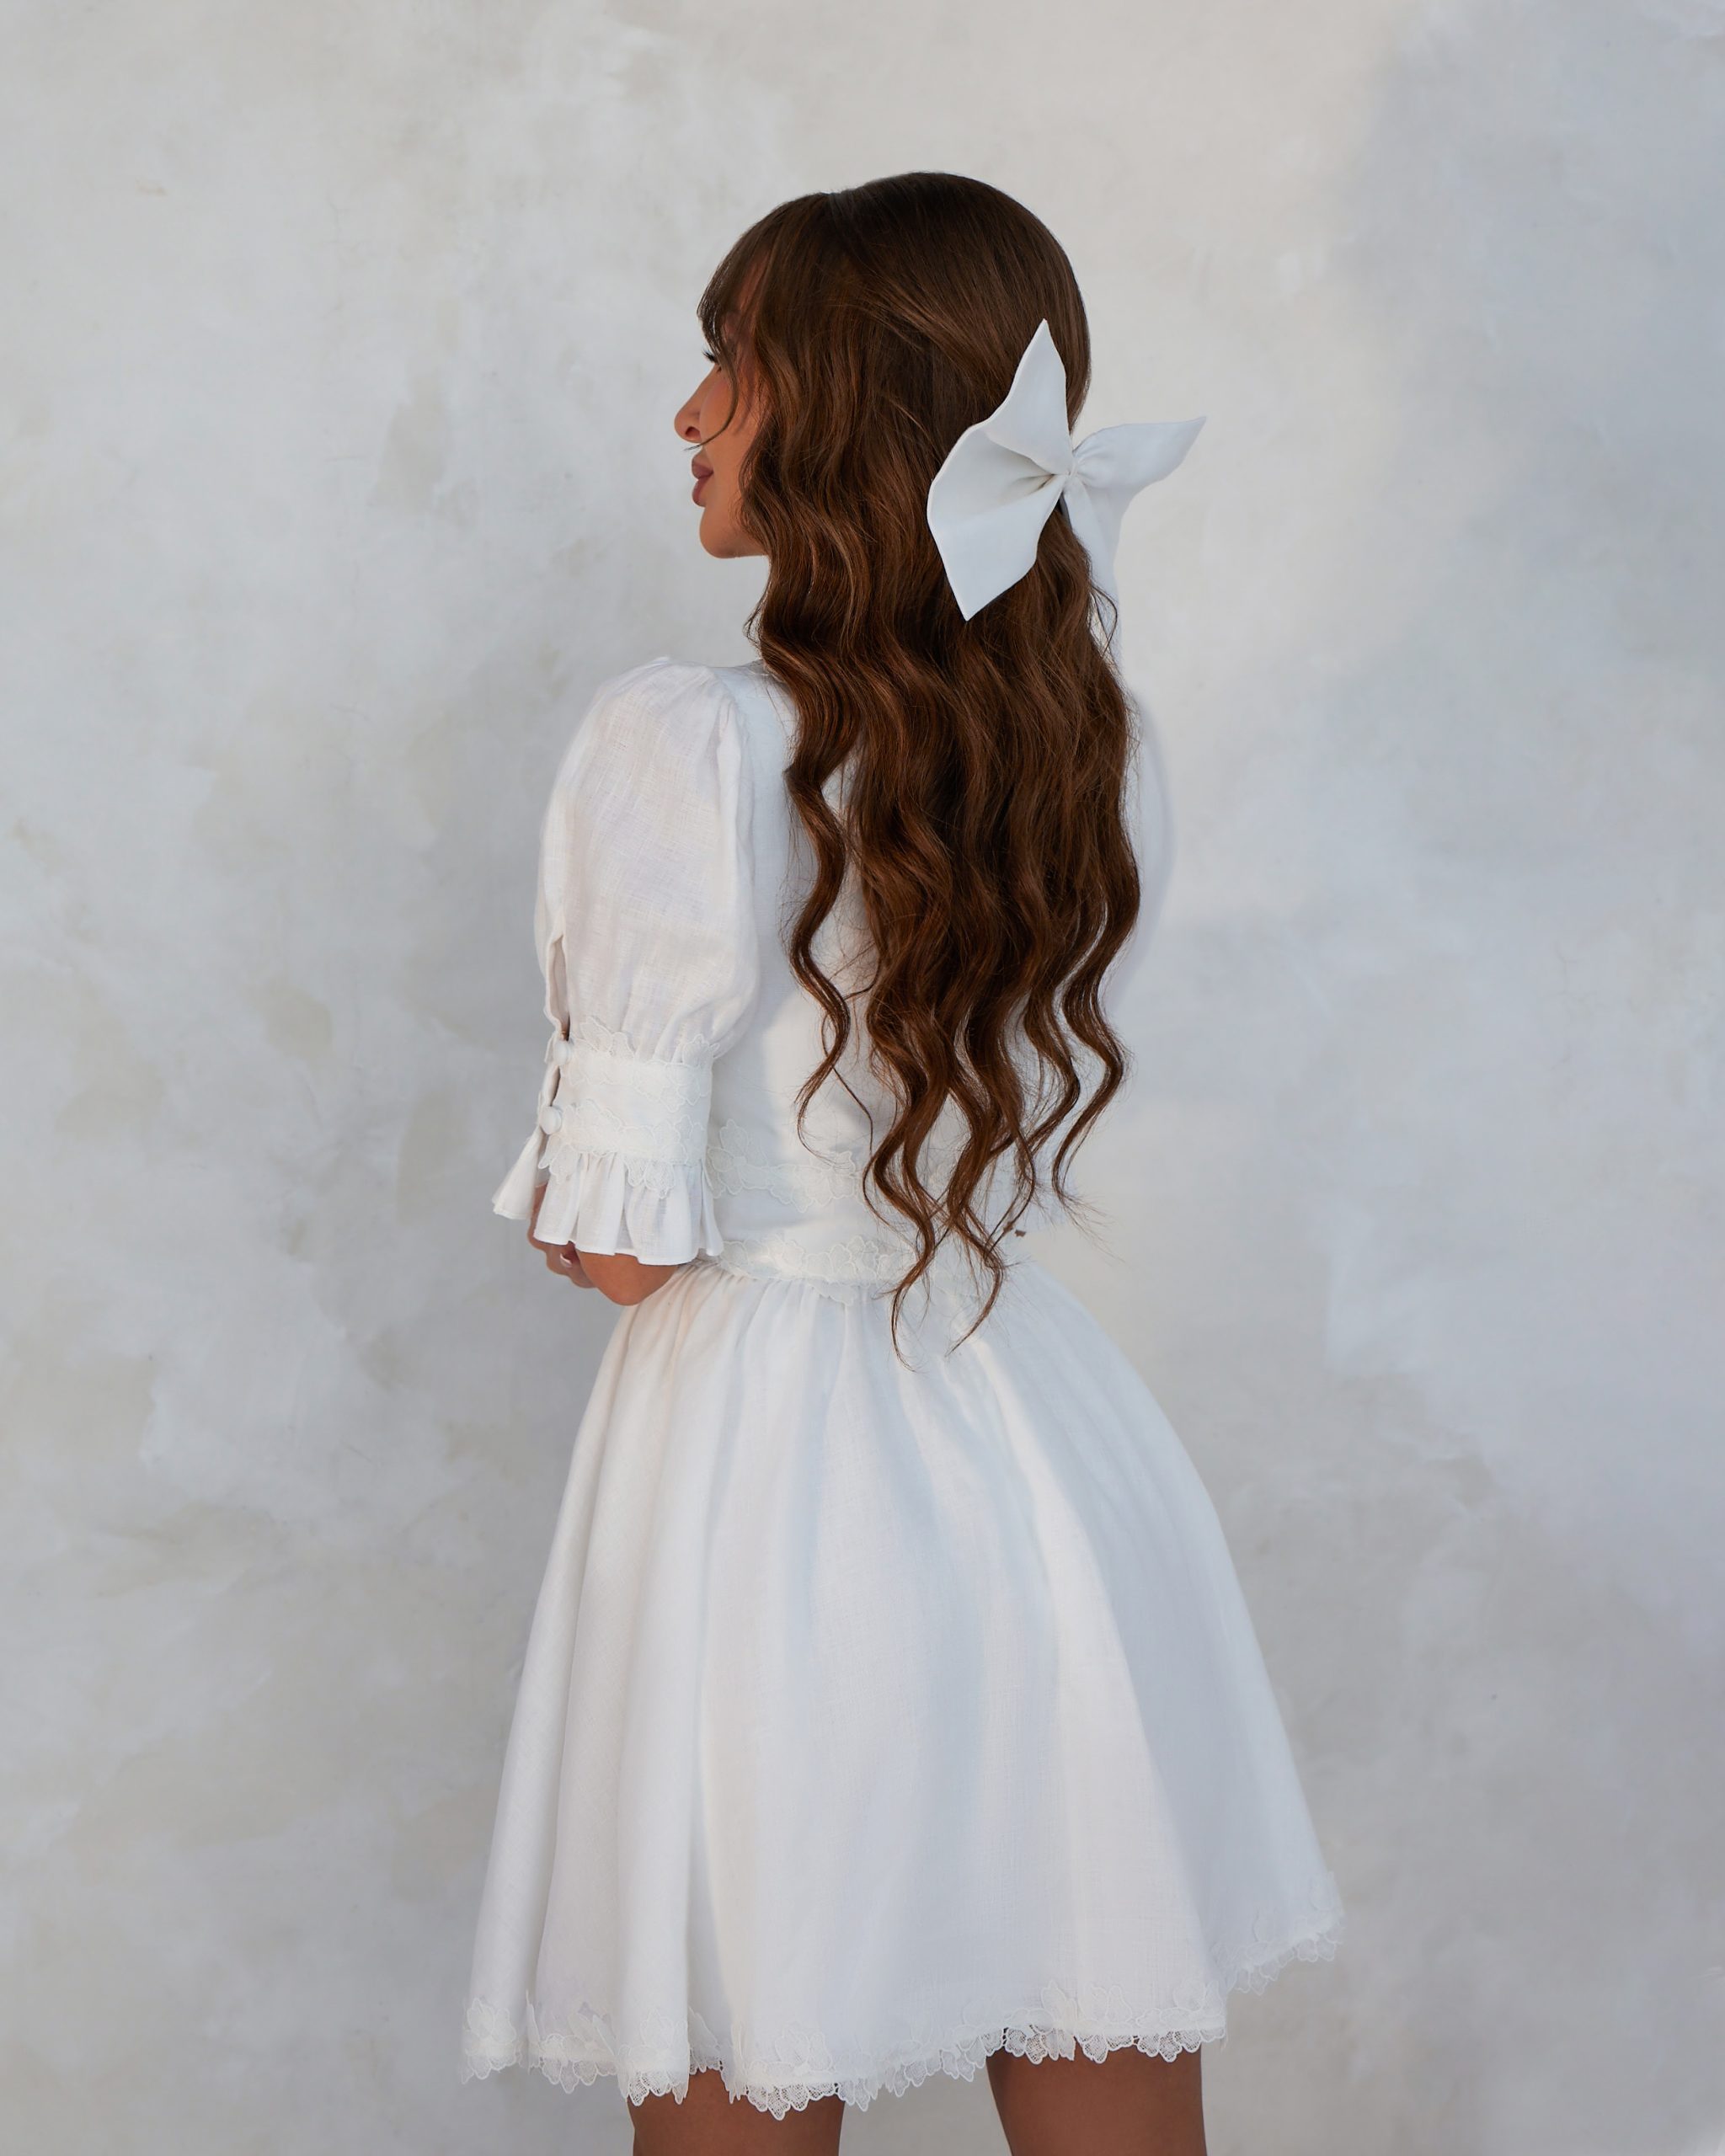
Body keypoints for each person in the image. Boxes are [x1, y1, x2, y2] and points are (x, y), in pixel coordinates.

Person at [459, 172, 1342, 2156]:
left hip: (760, 1481)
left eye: (732, 362)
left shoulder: (686, 744)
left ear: (848, 409)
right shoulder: (1086, 745)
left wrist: (614, 1182)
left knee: (744, 2015)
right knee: (1090, 1980)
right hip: (1035, 1445)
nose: (690, 413)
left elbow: (623, 1247)